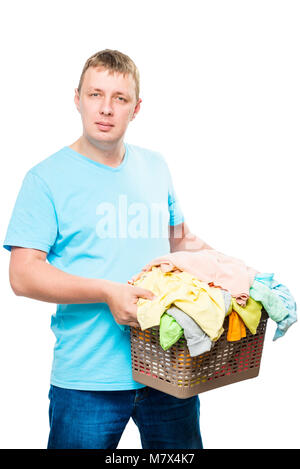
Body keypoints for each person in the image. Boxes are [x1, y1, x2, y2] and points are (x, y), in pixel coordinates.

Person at [3, 49, 212, 450]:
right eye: (96, 94)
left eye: (120, 98)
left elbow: (182, 240)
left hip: (168, 366)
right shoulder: (44, 179)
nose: (106, 109)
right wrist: (107, 292)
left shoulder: (156, 166)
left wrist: (238, 274)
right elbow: (22, 274)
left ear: (136, 109)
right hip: (87, 380)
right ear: (77, 98)